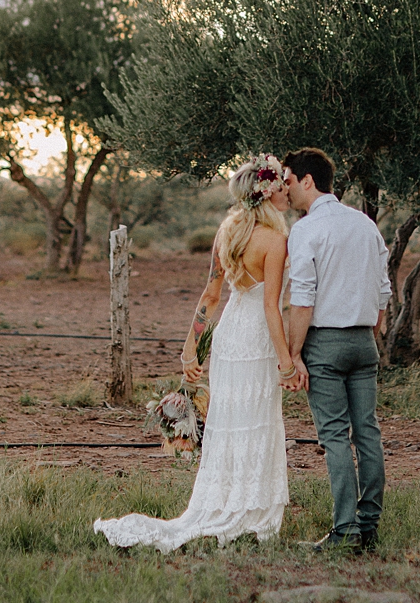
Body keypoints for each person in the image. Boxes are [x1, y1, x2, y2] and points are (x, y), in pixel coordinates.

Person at [95, 155, 295, 550]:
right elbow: (272, 307)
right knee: (255, 421)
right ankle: (250, 511)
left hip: (228, 338)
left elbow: (211, 296)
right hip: (256, 339)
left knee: (230, 422)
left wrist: (191, 348)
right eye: (280, 185)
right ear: (267, 192)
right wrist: (286, 363)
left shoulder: (227, 233)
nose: (287, 191)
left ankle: (225, 503)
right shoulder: (276, 241)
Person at [280, 147, 391, 553]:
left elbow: (302, 300)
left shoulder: (306, 229)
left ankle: (346, 531)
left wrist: (294, 355)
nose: (286, 190)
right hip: (364, 341)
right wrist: (369, 332)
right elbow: (383, 290)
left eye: (289, 181)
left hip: (324, 343)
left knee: (334, 437)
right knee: (368, 432)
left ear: (308, 181)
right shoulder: (365, 224)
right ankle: (369, 526)